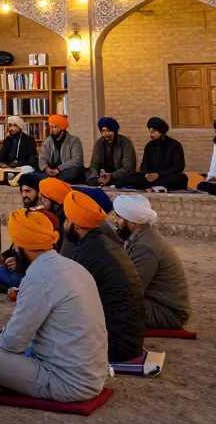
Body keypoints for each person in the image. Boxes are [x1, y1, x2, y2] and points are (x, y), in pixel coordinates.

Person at [0, 209, 109, 402]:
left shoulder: (38, 276)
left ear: (21, 246)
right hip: (93, 376)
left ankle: (0, 382)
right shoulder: (74, 267)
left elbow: (13, 343)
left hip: (66, 383)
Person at [63, 191, 145, 362]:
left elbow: (69, 302)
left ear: (76, 225)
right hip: (129, 342)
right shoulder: (102, 243)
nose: (64, 224)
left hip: (115, 346)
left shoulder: (88, 252)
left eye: (66, 219)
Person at [114, 195, 192, 331]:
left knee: (106, 308)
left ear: (133, 222)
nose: (117, 222)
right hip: (154, 304)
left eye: (120, 218)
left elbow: (129, 289)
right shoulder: (143, 237)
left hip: (167, 313)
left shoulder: (145, 247)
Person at [0, 173, 43, 291]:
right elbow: (16, 243)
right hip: (20, 267)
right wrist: (9, 257)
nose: (24, 195)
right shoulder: (23, 213)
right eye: (22, 191)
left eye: (28, 191)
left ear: (39, 192)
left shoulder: (45, 216)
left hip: (35, 268)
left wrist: (21, 265)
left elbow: (42, 252)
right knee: (1, 271)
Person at [121, 118, 188, 192]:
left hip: (165, 177)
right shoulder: (149, 145)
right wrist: (146, 174)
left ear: (161, 132)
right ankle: (157, 187)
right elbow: (144, 164)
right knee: (129, 177)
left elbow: (178, 167)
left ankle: (155, 186)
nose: (151, 135)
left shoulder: (175, 145)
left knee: (182, 178)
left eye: (153, 132)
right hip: (151, 178)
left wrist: (159, 174)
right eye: (150, 132)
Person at [87, 117, 136, 188]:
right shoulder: (99, 143)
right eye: (103, 131)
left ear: (115, 131)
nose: (106, 134)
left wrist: (110, 176)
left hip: (120, 175)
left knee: (127, 179)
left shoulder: (125, 142)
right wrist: (95, 176)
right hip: (105, 176)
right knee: (89, 178)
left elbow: (128, 167)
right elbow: (94, 164)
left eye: (109, 130)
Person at [38, 114, 86, 183]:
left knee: (76, 171)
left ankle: (52, 180)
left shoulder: (74, 140)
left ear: (62, 128)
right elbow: (42, 158)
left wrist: (59, 169)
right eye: (50, 127)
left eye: (54, 127)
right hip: (51, 171)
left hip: (66, 170)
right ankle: (53, 180)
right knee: (34, 169)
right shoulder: (48, 140)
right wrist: (46, 169)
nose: (51, 131)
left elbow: (77, 160)